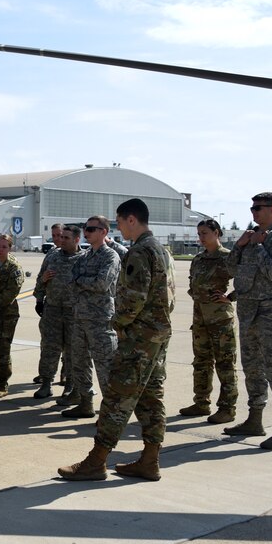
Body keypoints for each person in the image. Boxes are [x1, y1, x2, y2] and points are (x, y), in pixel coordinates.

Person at [58, 198, 175, 482]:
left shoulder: (139, 252)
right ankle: (150, 459)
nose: (118, 227)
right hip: (157, 336)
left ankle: (96, 461)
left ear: (132, 220)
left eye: (120, 221)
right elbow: (170, 295)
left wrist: (119, 324)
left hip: (139, 339)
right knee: (150, 397)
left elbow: (133, 300)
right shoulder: (161, 250)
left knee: (115, 399)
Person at [223, 192, 272, 450]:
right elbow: (231, 268)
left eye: (259, 208)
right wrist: (241, 244)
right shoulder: (251, 236)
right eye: (252, 208)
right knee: (252, 369)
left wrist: (258, 245)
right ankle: (254, 420)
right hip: (248, 314)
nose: (254, 212)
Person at [62, 216, 120, 420]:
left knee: (105, 367)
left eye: (92, 229)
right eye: (86, 229)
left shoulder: (110, 256)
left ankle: (111, 412)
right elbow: (70, 282)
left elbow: (102, 284)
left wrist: (81, 281)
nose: (87, 232)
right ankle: (86, 403)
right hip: (80, 317)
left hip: (100, 320)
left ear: (104, 232)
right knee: (79, 363)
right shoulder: (84, 257)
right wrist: (84, 281)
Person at [181, 218, 238, 424]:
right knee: (201, 361)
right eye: (199, 233)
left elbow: (246, 280)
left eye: (205, 233)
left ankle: (227, 408)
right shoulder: (198, 259)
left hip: (220, 319)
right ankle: (201, 402)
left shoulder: (227, 257)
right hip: (200, 318)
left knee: (225, 363)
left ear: (217, 233)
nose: (201, 237)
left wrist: (230, 296)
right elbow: (192, 284)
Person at [33, 224, 81, 401]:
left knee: (71, 351)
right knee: (49, 349)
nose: (61, 240)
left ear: (77, 240)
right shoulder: (52, 255)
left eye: (66, 238)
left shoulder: (83, 259)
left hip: (73, 313)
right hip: (52, 310)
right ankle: (46, 384)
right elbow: (40, 278)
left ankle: (69, 385)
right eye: (61, 237)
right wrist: (39, 298)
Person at [0, 233, 25, 398]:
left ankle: (2, 384)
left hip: (7, 314)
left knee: (3, 349)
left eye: (4, 247)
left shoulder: (14, 267)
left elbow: (10, 294)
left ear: (10, 248)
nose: (0, 250)